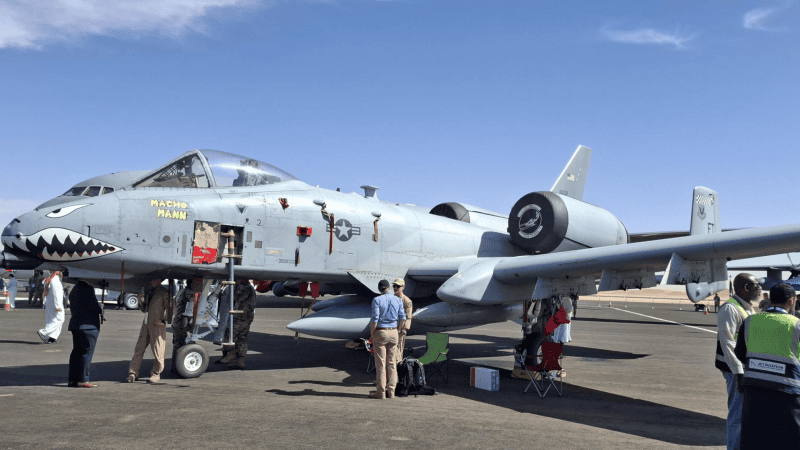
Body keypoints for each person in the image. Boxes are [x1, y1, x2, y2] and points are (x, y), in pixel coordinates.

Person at [735, 283, 800, 449]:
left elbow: (740, 353)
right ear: (791, 301)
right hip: (788, 396)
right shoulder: (796, 325)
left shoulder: (750, 321)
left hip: (754, 392)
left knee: (754, 440)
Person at [716, 273, 760, 450]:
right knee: (737, 414)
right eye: (756, 285)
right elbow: (727, 343)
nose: (760, 289)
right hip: (735, 370)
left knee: (745, 414)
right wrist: (738, 373)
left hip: (745, 368)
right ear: (745, 288)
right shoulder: (729, 309)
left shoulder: (747, 308)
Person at [125, 278, 169, 383]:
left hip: (157, 325)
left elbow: (171, 308)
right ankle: (133, 373)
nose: (151, 282)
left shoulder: (164, 292)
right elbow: (145, 309)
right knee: (139, 349)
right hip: (146, 324)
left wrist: (163, 320)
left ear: (159, 281)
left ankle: (156, 373)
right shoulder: (149, 292)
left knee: (158, 351)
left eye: (153, 280)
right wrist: (140, 301)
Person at [368, 279, 406, 399]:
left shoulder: (376, 300)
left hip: (381, 332)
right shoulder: (398, 299)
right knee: (392, 363)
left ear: (379, 289)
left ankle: (381, 392)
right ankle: (392, 391)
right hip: (394, 332)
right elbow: (403, 318)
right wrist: (399, 331)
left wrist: (372, 334)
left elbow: (374, 319)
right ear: (389, 288)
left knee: (381, 363)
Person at [68, 280, 104, 388]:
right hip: (88, 326)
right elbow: (93, 306)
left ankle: (73, 380)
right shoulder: (88, 289)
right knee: (86, 353)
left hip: (75, 325)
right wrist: (100, 308)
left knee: (76, 353)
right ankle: (83, 379)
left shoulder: (74, 289)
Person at [215, 280, 256, 370]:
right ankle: (230, 355)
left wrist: (231, 287)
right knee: (229, 334)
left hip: (244, 316)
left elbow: (236, 298)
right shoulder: (241, 287)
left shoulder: (247, 288)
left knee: (241, 338)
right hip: (238, 315)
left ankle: (240, 361)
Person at [170, 279, 196, 375]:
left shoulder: (182, 291)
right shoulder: (189, 293)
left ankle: (174, 367)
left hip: (177, 320)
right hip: (183, 323)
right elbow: (190, 309)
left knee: (177, 344)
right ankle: (180, 367)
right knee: (183, 345)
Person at [37, 271, 65, 344]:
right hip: (55, 304)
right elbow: (56, 293)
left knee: (52, 321)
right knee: (60, 319)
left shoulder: (51, 279)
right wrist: (58, 305)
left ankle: (51, 338)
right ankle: (43, 332)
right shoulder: (55, 280)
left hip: (50, 304)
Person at [392, 278, 412, 364]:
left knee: (398, 350)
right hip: (391, 328)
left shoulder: (407, 301)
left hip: (400, 330)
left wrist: (404, 329)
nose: (395, 288)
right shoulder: (391, 299)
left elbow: (409, 317)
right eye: (394, 286)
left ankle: (398, 368)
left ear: (403, 287)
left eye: (398, 286)